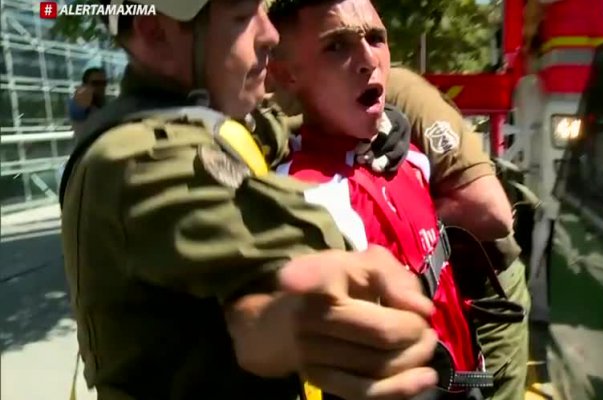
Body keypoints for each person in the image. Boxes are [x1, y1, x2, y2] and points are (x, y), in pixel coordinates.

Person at [59, 1, 439, 399]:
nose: (270, 34)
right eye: (243, 17)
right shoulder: (143, 160)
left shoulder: (194, 111)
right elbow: (277, 290)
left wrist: (368, 123)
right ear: (155, 30)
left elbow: (261, 128)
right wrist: (306, 313)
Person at [267, 28, 531, 400]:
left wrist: (409, 217)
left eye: (376, 40)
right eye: (337, 46)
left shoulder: (402, 95)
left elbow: (491, 212)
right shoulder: (267, 112)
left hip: (486, 280)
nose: (367, 59)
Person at [386, 67, 532, 400]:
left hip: (481, 291)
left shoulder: (398, 92)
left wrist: (389, 223)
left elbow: (490, 213)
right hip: (420, 306)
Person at [68, 67, 108, 138]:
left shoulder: (103, 104)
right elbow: (77, 111)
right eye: (96, 83)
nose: (101, 87)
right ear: (85, 84)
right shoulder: (80, 103)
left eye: (104, 83)